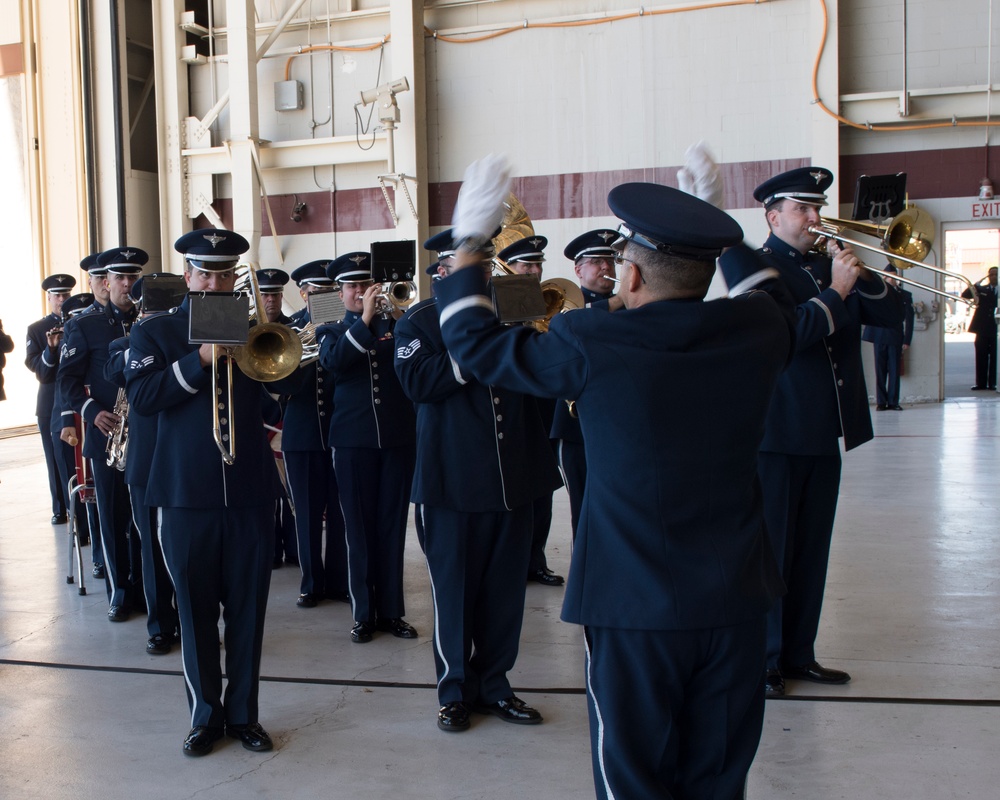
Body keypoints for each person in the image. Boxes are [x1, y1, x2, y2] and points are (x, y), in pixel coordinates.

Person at [430, 154, 792, 798]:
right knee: (719, 778)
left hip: (633, 607)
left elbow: (474, 345)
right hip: (736, 599)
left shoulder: (592, 341)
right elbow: (770, 291)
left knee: (633, 777)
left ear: (627, 271)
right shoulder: (757, 329)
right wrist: (723, 232)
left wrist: (466, 246)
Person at [394, 228, 563, 734]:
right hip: (452, 483)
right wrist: (477, 346)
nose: (485, 275)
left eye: (487, 266)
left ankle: (495, 684)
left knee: (505, 593)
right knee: (454, 594)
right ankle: (454, 690)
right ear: (443, 271)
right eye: (474, 267)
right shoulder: (419, 321)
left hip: (514, 477)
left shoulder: (513, 308)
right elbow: (417, 383)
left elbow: (541, 376)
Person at [124, 229, 282, 757]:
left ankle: (244, 717)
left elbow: (278, 400)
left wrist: (280, 362)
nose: (215, 283)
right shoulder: (157, 334)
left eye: (224, 274)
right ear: (189, 276)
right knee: (193, 613)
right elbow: (144, 396)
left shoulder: (252, 327)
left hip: (250, 492)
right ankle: (204, 717)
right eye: (205, 274)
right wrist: (201, 360)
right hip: (185, 495)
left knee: (247, 613)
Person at [751, 166, 903, 697]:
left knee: (812, 549)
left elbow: (896, 316)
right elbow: (791, 337)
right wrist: (838, 290)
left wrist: (868, 275)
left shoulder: (828, 265)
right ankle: (765, 659)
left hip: (823, 429)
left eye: (817, 208)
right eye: (804, 210)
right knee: (774, 550)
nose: (817, 218)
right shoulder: (761, 271)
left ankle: (799, 653)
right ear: (774, 216)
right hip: (777, 431)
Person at [318, 252, 418, 643]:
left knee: (391, 528)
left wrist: (393, 315)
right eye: (352, 287)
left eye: (365, 285)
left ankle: (392, 611)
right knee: (358, 530)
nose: (360, 292)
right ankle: (364, 614)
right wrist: (363, 322)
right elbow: (335, 362)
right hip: (352, 441)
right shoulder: (329, 329)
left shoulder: (397, 324)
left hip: (397, 439)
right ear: (341, 292)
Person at [57, 250, 143, 621]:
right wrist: (92, 413)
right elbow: (67, 381)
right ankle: (120, 593)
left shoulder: (150, 319)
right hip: (107, 436)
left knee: (146, 518)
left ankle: (148, 589)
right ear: (106, 282)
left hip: (148, 435)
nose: (127, 284)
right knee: (110, 517)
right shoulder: (86, 324)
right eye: (120, 278)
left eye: (133, 276)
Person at [105, 276, 180, 655]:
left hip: (183, 460)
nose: (155, 314)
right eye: (149, 308)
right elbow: (115, 370)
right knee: (150, 546)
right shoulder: (126, 343)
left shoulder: (185, 336)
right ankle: (160, 626)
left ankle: (190, 620)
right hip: (146, 461)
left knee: (186, 549)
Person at [271, 260, 348, 608]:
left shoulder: (348, 326)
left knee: (340, 511)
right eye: (316, 292)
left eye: (329, 291)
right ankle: (311, 583)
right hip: (301, 434)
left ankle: (338, 580)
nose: (323, 297)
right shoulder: (289, 331)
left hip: (339, 431)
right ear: (302, 293)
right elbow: (280, 384)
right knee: (305, 512)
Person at [497, 235, 565, 587]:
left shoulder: (545, 300)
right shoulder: (496, 303)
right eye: (528, 265)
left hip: (544, 405)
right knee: (515, 489)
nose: (536, 271)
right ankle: (513, 560)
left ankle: (536, 560)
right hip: (512, 406)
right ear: (509, 268)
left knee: (543, 486)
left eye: (537, 265)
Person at [550, 230, 618, 539]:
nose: (606, 267)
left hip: (618, 422)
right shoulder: (567, 305)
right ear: (578, 270)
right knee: (585, 507)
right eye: (596, 262)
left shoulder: (631, 305)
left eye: (611, 260)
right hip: (576, 427)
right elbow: (572, 325)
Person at [24, 273, 76, 524]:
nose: (62, 299)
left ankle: (78, 507)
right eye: (57, 295)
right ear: (49, 298)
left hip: (73, 399)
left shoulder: (79, 323)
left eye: (66, 294)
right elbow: (42, 373)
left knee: (75, 458)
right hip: (48, 404)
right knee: (54, 458)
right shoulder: (36, 330)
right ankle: (60, 508)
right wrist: (51, 348)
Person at [255, 267, 298, 569]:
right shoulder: (245, 328)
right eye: (265, 294)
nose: (270, 300)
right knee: (265, 488)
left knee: (291, 488)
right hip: (258, 417)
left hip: (287, 413)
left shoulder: (294, 328)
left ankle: (295, 551)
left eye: (275, 294)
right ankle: (271, 551)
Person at [863, 264, 914, 410]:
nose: (888, 279)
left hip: (895, 336)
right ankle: (881, 402)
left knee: (894, 370)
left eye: (892, 276)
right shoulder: (878, 292)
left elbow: (909, 319)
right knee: (880, 371)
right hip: (879, 335)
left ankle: (893, 401)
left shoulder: (904, 295)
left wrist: (907, 340)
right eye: (886, 276)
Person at [962, 266, 998, 390]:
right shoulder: (982, 289)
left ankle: (993, 383)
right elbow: (965, 295)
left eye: (996, 274)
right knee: (981, 356)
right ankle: (981, 383)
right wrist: (974, 286)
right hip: (982, 329)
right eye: (991, 274)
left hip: (996, 330)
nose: (993, 277)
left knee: (995, 357)